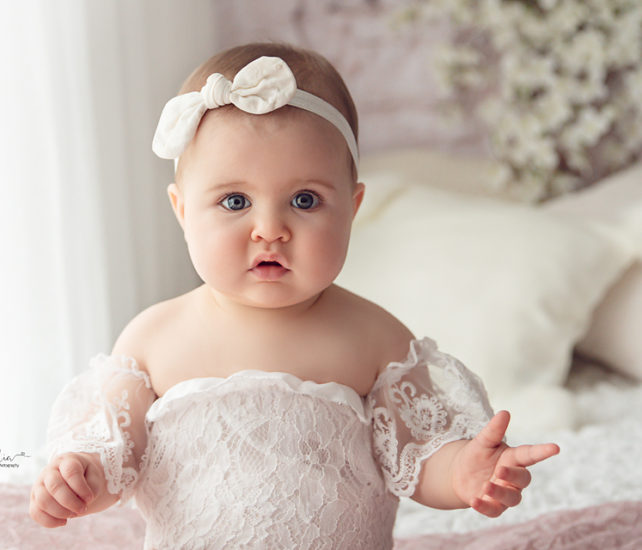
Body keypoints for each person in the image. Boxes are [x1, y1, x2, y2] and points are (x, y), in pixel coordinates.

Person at [29, 42, 559, 548]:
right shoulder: (154, 339)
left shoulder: (373, 338)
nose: (269, 228)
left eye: (304, 200)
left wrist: (464, 472)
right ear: (183, 211)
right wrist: (81, 479)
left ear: (351, 209)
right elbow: (115, 459)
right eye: (235, 200)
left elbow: (419, 458)